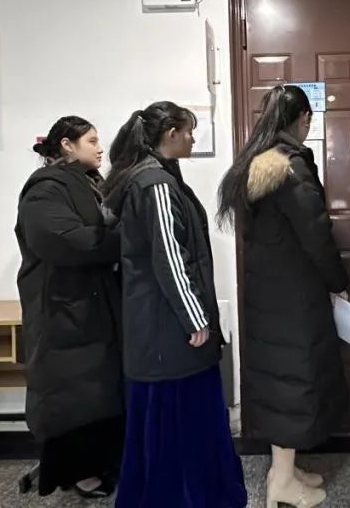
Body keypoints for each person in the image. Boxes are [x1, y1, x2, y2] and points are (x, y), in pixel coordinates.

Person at [102, 102, 247, 508]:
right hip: (169, 329)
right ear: (170, 134)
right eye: (189, 131)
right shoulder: (157, 185)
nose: (193, 138)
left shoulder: (150, 177)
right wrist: (196, 318)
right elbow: (170, 258)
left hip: (155, 326)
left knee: (162, 426)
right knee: (181, 423)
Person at [217, 85, 349, 508]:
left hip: (268, 297)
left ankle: (282, 471)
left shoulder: (256, 164)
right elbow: (316, 234)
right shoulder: (290, 169)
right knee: (294, 383)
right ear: (303, 118)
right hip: (294, 298)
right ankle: (283, 484)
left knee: (281, 383)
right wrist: (338, 281)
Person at [15, 116, 125, 499]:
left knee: (98, 392)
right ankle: (79, 474)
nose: (100, 148)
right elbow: (64, 239)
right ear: (67, 144)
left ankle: (100, 465)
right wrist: (123, 240)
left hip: (89, 305)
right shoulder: (45, 189)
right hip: (62, 310)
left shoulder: (87, 183)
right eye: (92, 140)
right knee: (72, 396)